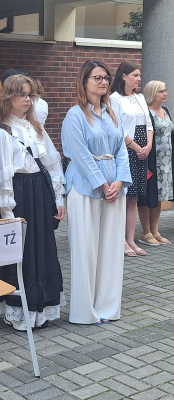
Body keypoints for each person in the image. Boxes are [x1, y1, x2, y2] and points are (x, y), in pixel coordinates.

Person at [0, 74, 65, 331]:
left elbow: (51, 164)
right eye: (21, 94)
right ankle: (19, 311)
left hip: (40, 193)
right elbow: (2, 177)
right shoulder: (2, 133)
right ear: (8, 97)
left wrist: (58, 197)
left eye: (30, 94)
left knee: (42, 249)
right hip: (20, 195)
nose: (27, 99)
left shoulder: (36, 128)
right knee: (22, 253)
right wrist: (7, 212)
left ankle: (41, 308)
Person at [62, 60, 132, 325]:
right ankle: (85, 311)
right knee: (86, 250)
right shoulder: (75, 115)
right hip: (84, 187)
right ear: (84, 81)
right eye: (97, 78)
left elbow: (121, 149)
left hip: (115, 187)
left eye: (106, 78)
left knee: (111, 249)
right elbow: (79, 155)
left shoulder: (112, 112)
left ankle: (108, 307)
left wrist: (120, 181)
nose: (103, 82)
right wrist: (101, 183)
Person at [110, 61, 153, 257]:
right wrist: (136, 148)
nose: (139, 79)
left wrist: (148, 146)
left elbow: (149, 124)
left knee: (134, 197)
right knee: (124, 196)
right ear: (124, 76)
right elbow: (118, 128)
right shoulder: (115, 98)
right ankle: (120, 241)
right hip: (127, 150)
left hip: (143, 149)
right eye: (135, 75)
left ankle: (131, 240)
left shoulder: (140, 97)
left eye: (139, 75)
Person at [139, 80, 173, 245]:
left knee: (158, 197)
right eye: (161, 91)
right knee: (147, 196)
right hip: (152, 162)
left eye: (165, 90)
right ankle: (146, 232)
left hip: (165, 164)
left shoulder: (165, 111)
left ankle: (155, 231)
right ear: (152, 93)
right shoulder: (146, 112)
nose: (165, 93)